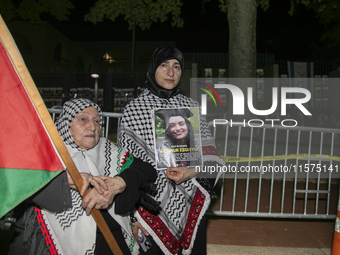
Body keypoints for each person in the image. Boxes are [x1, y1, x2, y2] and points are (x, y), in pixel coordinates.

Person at [7, 98, 158, 255]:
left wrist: (120, 182)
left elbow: (147, 170)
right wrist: (65, 178)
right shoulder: (48, 153)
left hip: (113, 238)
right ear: (67, 125)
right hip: (57, 241)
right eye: (83, 119)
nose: (92, 127)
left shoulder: (109, 151)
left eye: (97, 121)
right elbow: (18, 182)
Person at [119, 45, 225, 255]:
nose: (171, 72)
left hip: (191, 203)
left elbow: (212, 158)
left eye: (176, 66)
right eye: (164, 65)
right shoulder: (134, 110)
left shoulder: (190, 107)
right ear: (152, 69)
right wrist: (132, 217)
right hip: (149, 210)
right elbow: (125, 167)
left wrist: (191, 171)